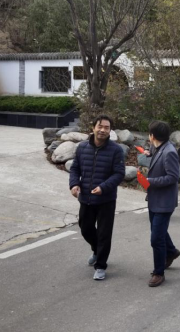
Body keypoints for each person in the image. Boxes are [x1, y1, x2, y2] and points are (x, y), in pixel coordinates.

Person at [69, 115, 125, 281]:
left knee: (104, 233)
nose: (102, 130)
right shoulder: (82, 147)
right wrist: (74, 184)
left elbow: (119, 174)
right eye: (100, 126)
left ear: (110, 131)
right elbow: (75, 169)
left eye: (106, 127)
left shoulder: (116, 150)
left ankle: (100, 266)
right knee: (85, 228)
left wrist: (103, 187)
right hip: (86, 197)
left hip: (106, 200)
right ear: (93, 128)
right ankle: (96, 249)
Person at [146, 120, 180, 287]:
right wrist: (148, 152)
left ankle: (159, 272)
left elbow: (173, 177)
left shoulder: (169, 152)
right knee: (158, 231)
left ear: (152, 136)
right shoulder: (159, 147)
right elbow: (154, 151)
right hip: (155, 199)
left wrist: (150, 181)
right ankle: (172, 251)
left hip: (164, 201)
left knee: (156, 238)